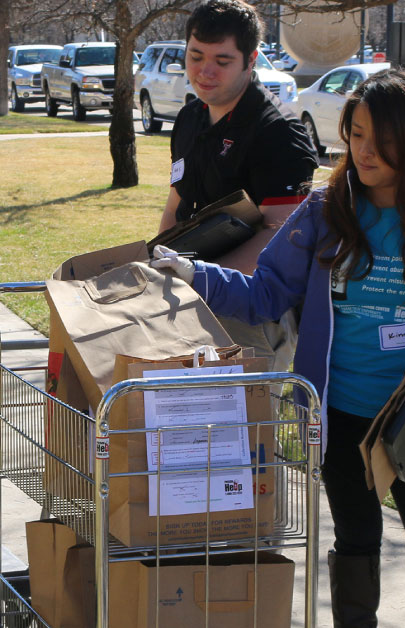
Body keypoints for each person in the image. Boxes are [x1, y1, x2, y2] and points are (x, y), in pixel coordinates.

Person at [153, 68, 405, 627]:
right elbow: (268, 293)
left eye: (383, 139)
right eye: (357, 133)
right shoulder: (326, 211)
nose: (364, 151)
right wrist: (195, 274)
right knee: (355, 539)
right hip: (339, 413)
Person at [159, 0, 318, 372]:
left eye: (222, 60)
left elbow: (280, 238)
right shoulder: (189, 117)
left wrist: (199, 282)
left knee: (247, 428)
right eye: (196, 56)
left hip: (250, 315)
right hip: (186, 300)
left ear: (251, 59)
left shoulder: (279, 132)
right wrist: (163, 273)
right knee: (184, 424)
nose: (205, 71)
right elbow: (175, 207)